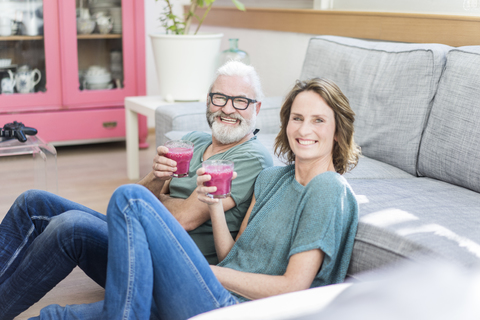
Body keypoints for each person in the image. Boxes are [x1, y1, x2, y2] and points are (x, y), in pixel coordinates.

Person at [34, 78, 361, 319]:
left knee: (130, 199)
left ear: (337, 131)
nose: (305, 129)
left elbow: (293, 288)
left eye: (319, 120)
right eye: (297, 118)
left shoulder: (328, 188)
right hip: (207, 293)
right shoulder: (272, 178)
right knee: (55, 317)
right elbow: (232, 254)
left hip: (237, 309)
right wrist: (215, 206)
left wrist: (203, 271)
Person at [0, 61, 273, 320]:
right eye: (219, 98)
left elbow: (182, 220)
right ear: (208, 100)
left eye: (240, 101)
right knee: (32, 202)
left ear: (257, 107)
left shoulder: (251, 157)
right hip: (133, 237)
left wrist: (154, 200)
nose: (227, 108)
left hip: (168, 266)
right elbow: (125, 204)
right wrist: (156, 177)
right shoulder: (192, 141)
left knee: (70, 226)